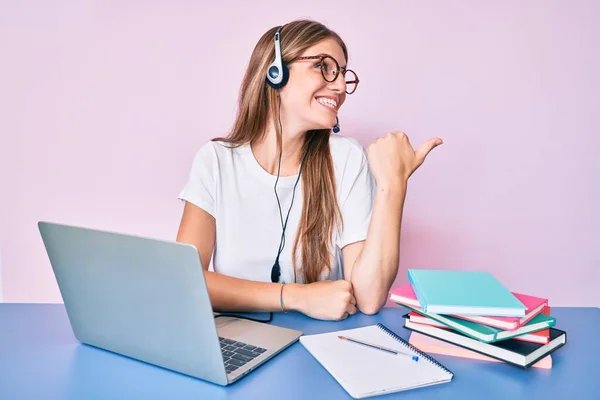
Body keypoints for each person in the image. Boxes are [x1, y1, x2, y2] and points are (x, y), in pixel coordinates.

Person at [176, 19, 442, 321]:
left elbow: (369, 298)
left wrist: (393, 184)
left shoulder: (346, 158)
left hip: (320, 342)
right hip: (237, 338)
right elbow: (185, 280)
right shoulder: (215, 161)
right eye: (324, 66)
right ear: (275, 73)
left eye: (343, 74)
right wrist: (297, 297)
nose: (340, 86)